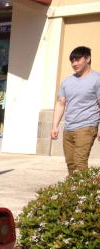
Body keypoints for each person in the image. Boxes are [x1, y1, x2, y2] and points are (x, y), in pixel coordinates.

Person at [51, 46, 100, 175]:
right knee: (71, 163)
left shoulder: (97, 79)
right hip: (69, 128)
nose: (74, 64)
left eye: (77, 60)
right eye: (72, 61)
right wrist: (55, 126)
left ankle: (84, 192)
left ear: (88, 58)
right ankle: (74, 191)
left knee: (80, 162)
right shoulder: (67, 82)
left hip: (87, 126)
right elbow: (61, 104)